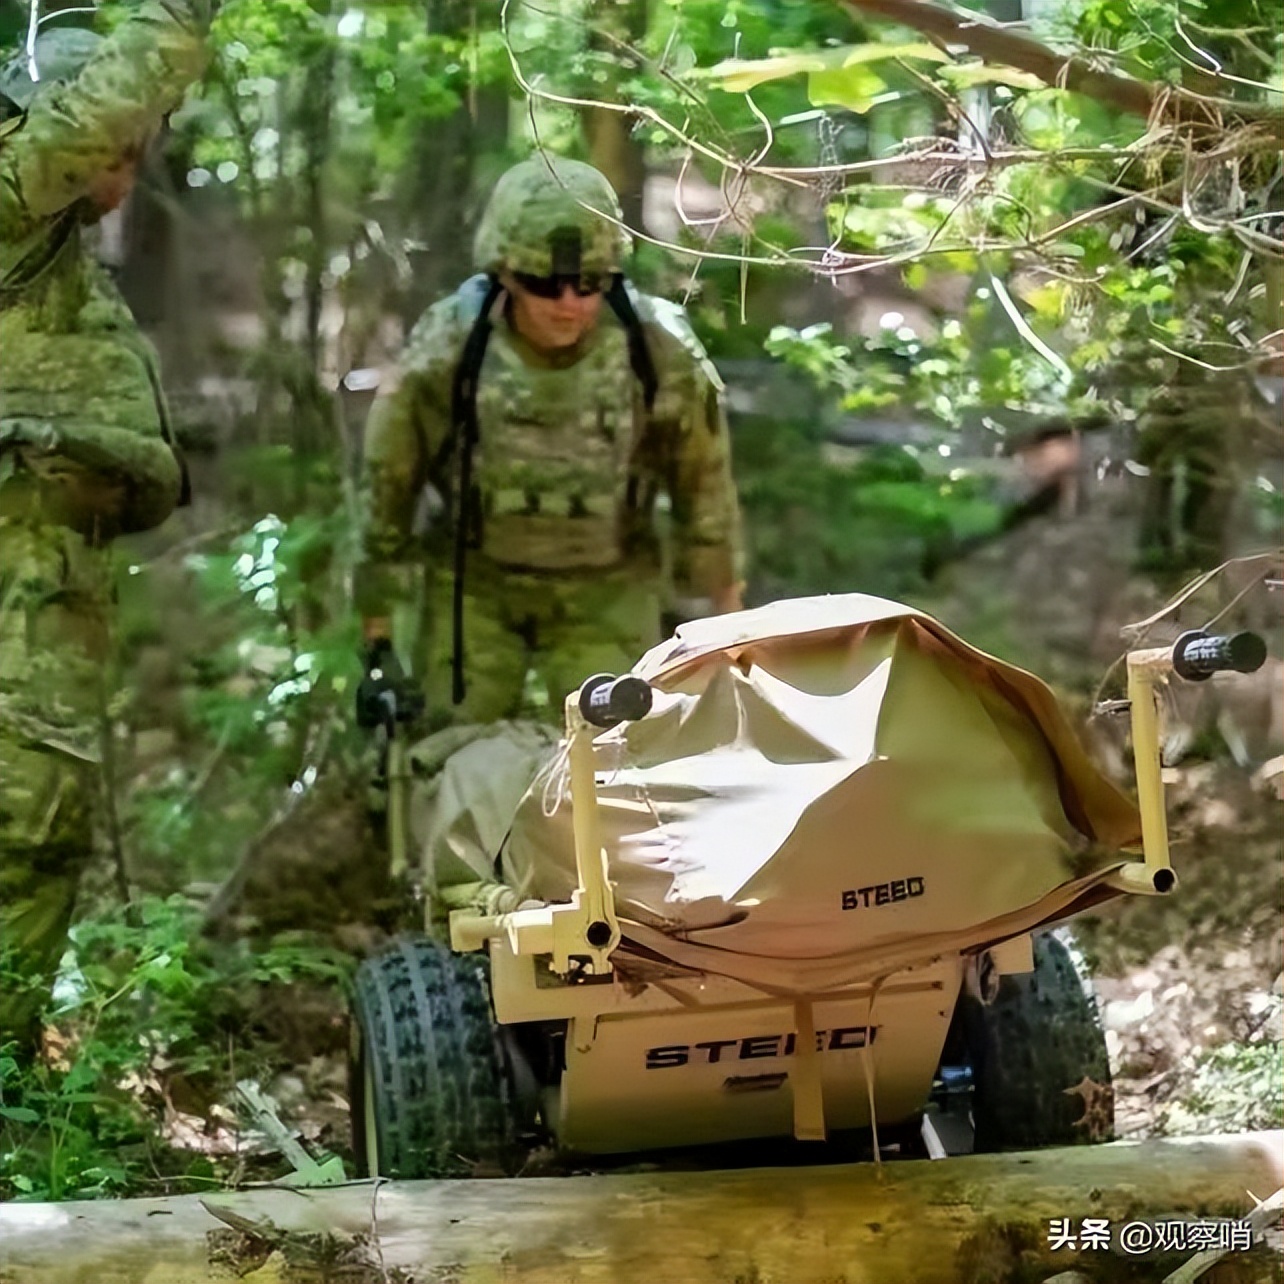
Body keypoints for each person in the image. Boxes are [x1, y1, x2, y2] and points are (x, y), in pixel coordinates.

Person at [356, 156, 743, 727]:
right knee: (451, 755)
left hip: (607, 588)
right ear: (505, 275)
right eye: (546, 283)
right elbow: (389, 484)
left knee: (619, 765)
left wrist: (728, 635)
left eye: (590, 283)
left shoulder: (658, 351)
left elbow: (704, 489)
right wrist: (377, 641)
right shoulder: (451, 347)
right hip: (476, 586)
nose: (570, 303)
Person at [0, 0, 208, 1052]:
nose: (126, 166)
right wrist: (181, 16)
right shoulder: (11, 205)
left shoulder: (62, 267)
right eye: (114, 145)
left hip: (53, 589)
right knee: (22, 824)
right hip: (18, 588)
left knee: (42, 832)